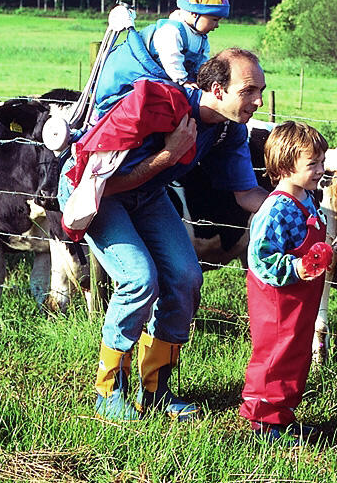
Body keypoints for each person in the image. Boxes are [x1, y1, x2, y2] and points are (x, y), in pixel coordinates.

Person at [61, 47, 269, 422]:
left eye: (261, 91)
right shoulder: (160, 105)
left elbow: (246, 195)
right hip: (94, 191)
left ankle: (156, 390)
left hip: (147, 192)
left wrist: (295, 205)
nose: (258, 101)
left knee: (186, 277)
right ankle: (109, 392)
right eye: (248, 91)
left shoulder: (229, 130)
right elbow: (102, 183)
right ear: (218, 90)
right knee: (139, 279)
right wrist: (169, 156)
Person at [239, 121, 335, 445]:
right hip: (278, 302)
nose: (320, 169)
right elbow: (260, 257)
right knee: (275, 356)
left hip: (301, 300)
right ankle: (263, 421)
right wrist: (297, 266)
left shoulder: (307, 198)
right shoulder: (276, 209)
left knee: (295, 356)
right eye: (313, 164)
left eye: (322, 161)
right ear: (285, 166)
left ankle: (281, 416)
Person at [93, 0, 230, 117]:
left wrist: (203, 80)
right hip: (141, 68)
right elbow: (171, 58)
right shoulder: (172, 31)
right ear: (195, 13)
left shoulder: (201, 38)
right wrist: (183, 80)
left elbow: (202, 61)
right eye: (214, 20)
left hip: (165, 74)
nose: (217, 25)